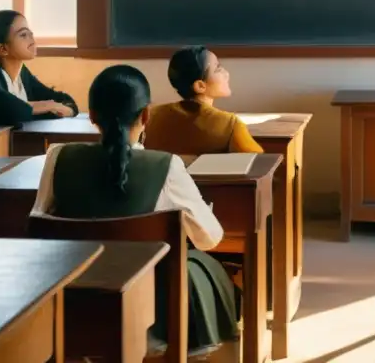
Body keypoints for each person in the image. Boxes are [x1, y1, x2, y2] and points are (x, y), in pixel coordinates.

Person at [30, 64, 239, 352]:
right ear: (146, 115)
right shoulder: (166, 165)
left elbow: (39, 223)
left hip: (73, 305)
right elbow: (209, 238)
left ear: (91, 116)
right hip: (151, 313)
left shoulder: (58, 157)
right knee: (201, 266)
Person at [0, 9, 77, 126]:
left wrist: (66, 109)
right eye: (23, 35)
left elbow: (62, 100)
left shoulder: (22, 74)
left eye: (30, 32)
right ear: (2, 49)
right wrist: (48, 106)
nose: (31, 37)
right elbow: (12, 111)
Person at [143, 46, 263, 155]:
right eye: (218, 69)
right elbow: (258, 162)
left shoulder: (152, 116)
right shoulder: (229, 124)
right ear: (200, 86)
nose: (226, 74)